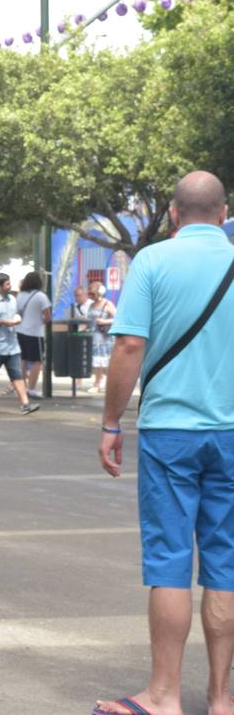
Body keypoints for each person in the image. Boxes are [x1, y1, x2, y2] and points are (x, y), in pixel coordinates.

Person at [94, 171, 234, 715]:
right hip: (230, 433)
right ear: (223, 212)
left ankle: (164, 695)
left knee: (171, 561)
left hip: (171, 431)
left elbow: (130, 345)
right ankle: (222, 697)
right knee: (224, 561)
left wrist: (111, 422)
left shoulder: (152, 261)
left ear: (174, 214)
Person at [0, 272, 40, 415]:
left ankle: (25, 404)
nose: (10, 285)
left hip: (13, 346)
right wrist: (3, 322)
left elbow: (18, 314)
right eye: (7, 283)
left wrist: (17, 319)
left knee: (18, 376)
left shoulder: (13, 299)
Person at [15, 271, 52, 399]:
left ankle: (21, 387)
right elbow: (47, 316)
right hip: (35, 333)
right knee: (37, 361)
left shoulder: (20, 295)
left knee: (23, 360)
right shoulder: (41, 296)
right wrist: (42, 321)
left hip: (20, 331)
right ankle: (31, 389)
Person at [85, 280, 117, 393]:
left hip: (104, 339)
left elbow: (118, 318)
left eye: (93, 294)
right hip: (94, 337)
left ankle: (98, 384)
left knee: (103, 363)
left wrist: (104, 321)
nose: (91, 296)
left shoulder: (107, 304)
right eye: (90, 294)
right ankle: (99, 382)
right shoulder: (91, 305)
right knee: (97, 364)